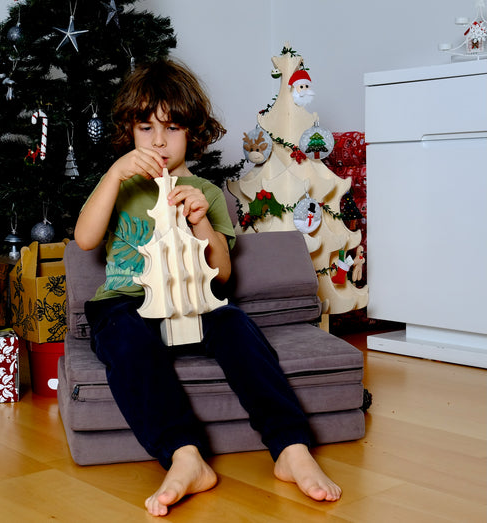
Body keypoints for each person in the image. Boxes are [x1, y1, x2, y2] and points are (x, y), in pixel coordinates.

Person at [74, 58, 341, 517]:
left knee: (235, 323)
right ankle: (185, 455)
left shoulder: (207, 191)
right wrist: (115, 174)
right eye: (145, 128)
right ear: (129, 132)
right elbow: (85, 239)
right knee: (125, 336)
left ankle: (291, 448)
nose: (158, 141)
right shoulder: (119, 185)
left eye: (172, 128)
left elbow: (222, 276)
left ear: (191, 133)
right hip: (126, 307)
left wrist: (201, 222)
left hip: (195, 302)